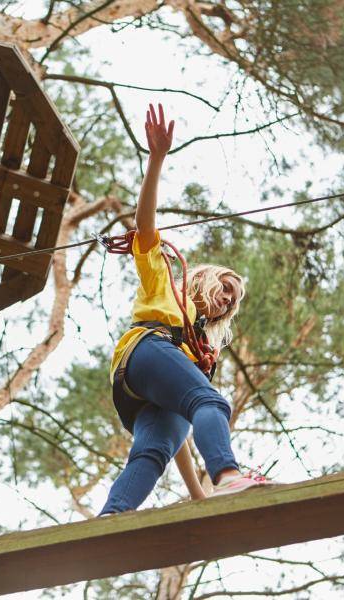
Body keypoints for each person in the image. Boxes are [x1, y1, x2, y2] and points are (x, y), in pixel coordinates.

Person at [99, 103, 272, 516]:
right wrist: (157, 159)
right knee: (211, 403)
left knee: (153, 452)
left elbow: (181, 434)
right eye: (225, 289)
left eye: (232, 301)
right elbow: (145, 225)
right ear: (202, 280)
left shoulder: (199, 352)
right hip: (147, 350)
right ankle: (228, 475)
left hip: (139, 391)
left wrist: (198, 497)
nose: (228, 300)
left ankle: (112, 516)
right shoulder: (165, 286)